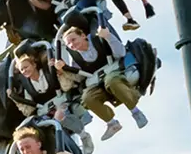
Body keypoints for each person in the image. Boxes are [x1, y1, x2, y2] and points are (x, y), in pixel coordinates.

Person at [54, 10, 147, 140]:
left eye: (73, 39)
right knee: (87, 98)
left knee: (111, 81)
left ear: (83, 36)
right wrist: (63, 70)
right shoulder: (76, 58)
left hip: (115, 73)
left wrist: (108, 37)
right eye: (68, 43)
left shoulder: (98, 40)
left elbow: (120, 53)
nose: (71, 44)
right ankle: (112, 123)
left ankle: (135, 112)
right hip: (98, 82)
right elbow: (79, 77)